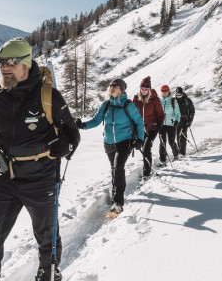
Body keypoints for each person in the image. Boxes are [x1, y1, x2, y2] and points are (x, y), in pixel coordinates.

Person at [0, 37, 80, 281]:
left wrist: (63, 146)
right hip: (7, 176)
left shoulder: (49, 97)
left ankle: (47, 273)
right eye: (0, 63)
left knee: (47, 237)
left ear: (26, 63)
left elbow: (72, 135)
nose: (4, 68)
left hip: (42, 176)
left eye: (11, 62)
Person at [76, 79, 144, 214]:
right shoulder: (106, 104)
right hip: (108, 141)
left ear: (121, 90)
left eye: (115, 86)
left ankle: (118, 201)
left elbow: (139, 123)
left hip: (125, 140)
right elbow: (96, 120)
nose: (112, 88)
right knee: (113, 169)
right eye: (111, 86)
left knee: (118, 167)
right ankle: (114, 196)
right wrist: (83, 125)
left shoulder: (128, 105)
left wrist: (140, 139)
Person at [133, 76, 165, 178]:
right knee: (143, 148)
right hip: (140, 129)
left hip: (152, 128)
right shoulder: (136, 100)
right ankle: (147, 167)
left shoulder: (154, 100)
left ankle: (147, 172)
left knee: (146, 148)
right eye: (142, 88)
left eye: (146, 89)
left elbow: (161, 114)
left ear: (149, 89)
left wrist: (160, 124)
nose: (144, 91)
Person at [158, 85, 180, 165]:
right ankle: (162, 159)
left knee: (171, 141)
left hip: (171, 124)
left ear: (169, 91)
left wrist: (176, 121)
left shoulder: (173, 101)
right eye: (162, 90)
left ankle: (176, 154)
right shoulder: (159, 100)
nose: (164, 92)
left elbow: (177, 113)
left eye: (166, 90)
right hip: (162, 125)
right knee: (162, 142)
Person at [175, 86, 195, 156]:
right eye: (177, 95)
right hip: (177, 121)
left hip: (185, 121)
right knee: (177, 137)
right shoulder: (174, 101)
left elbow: (192, 111)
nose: (179, 96)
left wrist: (190, 121)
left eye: (180, 94)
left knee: (183, 137)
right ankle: (178, 151)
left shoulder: (187, 100)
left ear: (182, 94)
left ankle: (182, 153)